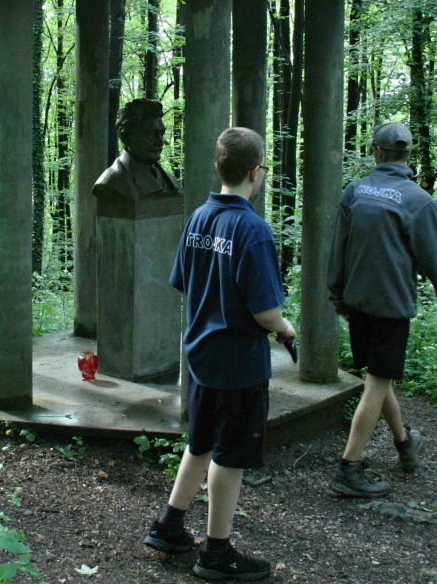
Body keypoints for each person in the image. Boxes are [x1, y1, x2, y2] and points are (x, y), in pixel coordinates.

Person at [143, 127, 294, 582]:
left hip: (201, 355)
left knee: (201, 442)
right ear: (254, 171)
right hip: (239, 363)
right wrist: (286, 329)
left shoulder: (199, 218)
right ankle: (217, 553)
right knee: (229, 457)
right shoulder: (252, 230)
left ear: (219, 167)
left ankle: (169, 526)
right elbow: (265, 310)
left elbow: (182, 281)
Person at [326, 122, 437, 498]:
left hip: (357, 303)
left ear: (377, 151)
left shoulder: (356, 191)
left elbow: (338, 247)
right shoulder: (418, 201)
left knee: (379, 376)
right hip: (391, 309)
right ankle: (349, 468)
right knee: (377, 383)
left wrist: (337, 295)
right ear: (408, 154)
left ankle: (405, 443)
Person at [93, 99, 181, 201]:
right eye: (150, 134)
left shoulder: (171, 182)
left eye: (161, 133)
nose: (160, 142)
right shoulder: (111, 183)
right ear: (126, 136)